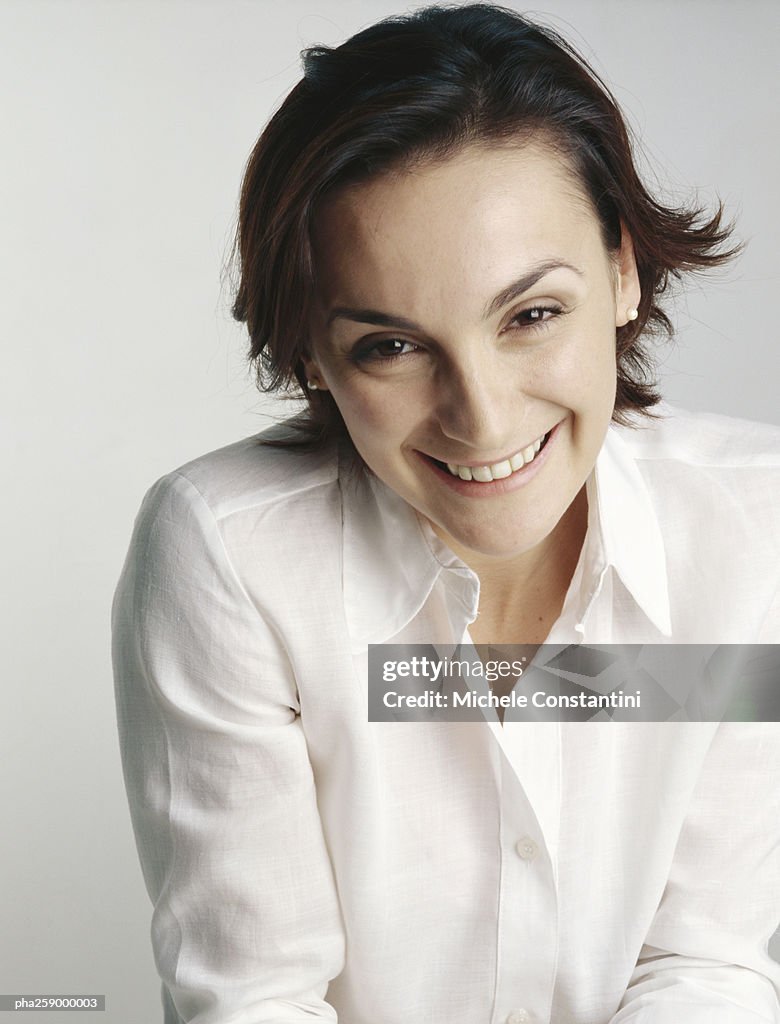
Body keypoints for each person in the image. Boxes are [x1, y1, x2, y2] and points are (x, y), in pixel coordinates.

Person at [111, 4, 780, 1022]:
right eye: (391, 344)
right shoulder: (231, 555)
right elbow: (255, 998)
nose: (482, 414)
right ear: (310, 357)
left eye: (532, 315)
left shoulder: (751, 522)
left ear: (622, 271)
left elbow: (705, 963)